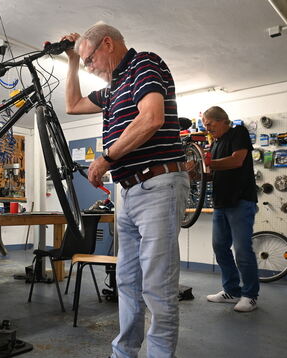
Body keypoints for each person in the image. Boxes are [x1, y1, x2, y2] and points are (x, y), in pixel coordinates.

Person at [62, 22, 189, 358]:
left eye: (89, 60)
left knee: (157, 286)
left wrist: (106, 158)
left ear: (107, 44)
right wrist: (72, 61)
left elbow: (151, 118)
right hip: (129, 192)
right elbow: (72, 105)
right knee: (127, 282)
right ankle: (124, 353)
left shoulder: (143, 64)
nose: (90, 68)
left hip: (158, 185)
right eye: (85, 64)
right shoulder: (113, 87)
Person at [202, 106, 259, 312]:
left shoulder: (238, 132)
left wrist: (209, 164)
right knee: (220, 247)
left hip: (241, 201)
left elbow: (237, 161)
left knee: (243, 250)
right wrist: (197, 172)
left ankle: (250, 295)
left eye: (210, 124)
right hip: (221, 203)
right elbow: (212, 170)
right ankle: (231, 291)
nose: (207, 128)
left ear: (223, 120)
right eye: (205, 125)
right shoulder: (215, 143)